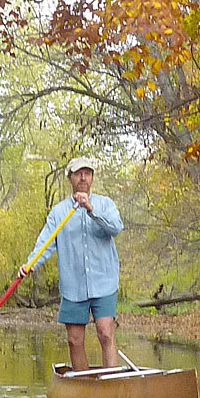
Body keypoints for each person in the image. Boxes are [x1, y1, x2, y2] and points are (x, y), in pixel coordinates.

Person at [18, 157, 124, 370]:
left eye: (87, 173)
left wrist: (90, 209)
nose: (83, 177)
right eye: (78, 173)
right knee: (74, 340)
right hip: (73, 286)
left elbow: (115, 228)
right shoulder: (59, 212)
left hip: (103, 281)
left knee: (105, 332)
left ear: (92, 177)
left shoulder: (105, 204)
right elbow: (45, 243)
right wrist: (30, 264)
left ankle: (112, 383)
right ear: (70, 178)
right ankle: (84, 389)